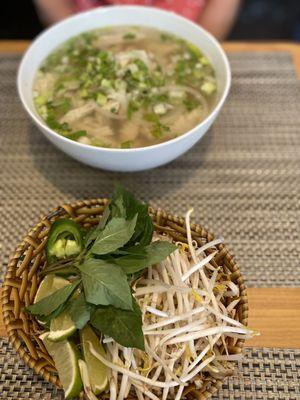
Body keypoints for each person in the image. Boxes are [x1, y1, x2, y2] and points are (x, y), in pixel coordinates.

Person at [34, 0, 241, 40]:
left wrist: (202, 42)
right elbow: (53, 7)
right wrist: (78, 42)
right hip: (86, 22)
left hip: (187, 22)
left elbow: (217, 21)